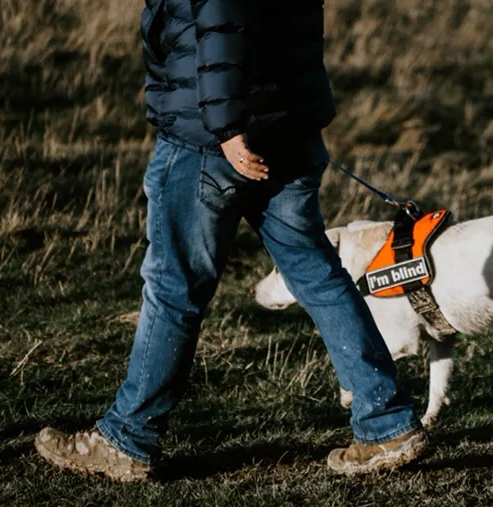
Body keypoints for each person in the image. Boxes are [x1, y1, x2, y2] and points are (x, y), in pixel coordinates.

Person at [33, 0, 427, 481]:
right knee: (318, 275)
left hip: (213, 141)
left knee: (174, 288)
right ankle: (387, 424)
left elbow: (223, 20)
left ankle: (126, 439)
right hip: (289, 129)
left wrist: (228, 128)